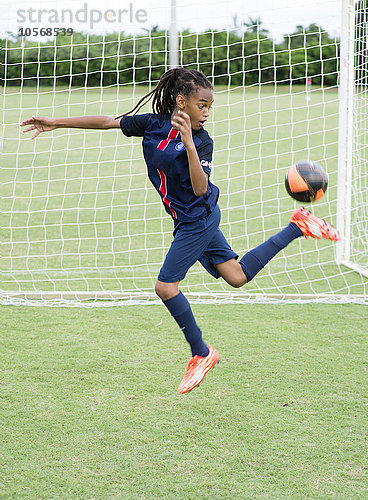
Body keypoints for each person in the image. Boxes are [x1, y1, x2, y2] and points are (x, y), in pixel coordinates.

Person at [20, 67, 340, 394]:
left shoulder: (201, 141)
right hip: (187, 218)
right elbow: (109, 121)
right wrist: (57, 122)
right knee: (237, 276)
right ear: (180, 101)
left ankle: (201, 353)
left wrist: (188, 142)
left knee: (165, 287)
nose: (206, 112)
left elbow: (201, 188)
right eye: (202, 104)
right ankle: (299, 225)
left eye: (209, 107)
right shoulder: (153, 124)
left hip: (198, 219)